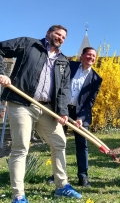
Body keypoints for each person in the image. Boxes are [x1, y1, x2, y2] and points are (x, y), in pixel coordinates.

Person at [0, 25, 82, 203]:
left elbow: (63, 90)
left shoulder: (63, 61)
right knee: (21, 148)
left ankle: (62, 186)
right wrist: (2, 73)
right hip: (22, 103)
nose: (60, 38)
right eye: (57, 34)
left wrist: (62, 112)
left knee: (59, 143)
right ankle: (18, 195)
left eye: (63, 37)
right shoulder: (29, 44)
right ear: (48, 33)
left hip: (46, 109)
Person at [47, 47, 102, 187]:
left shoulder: (96, 78)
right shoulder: (69, 66)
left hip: (80, 115)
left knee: (82, 145)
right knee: (58, 143)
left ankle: (83, 177)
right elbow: (57, 85)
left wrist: (81, 118)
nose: (91, 58)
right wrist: (60, 109)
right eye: (89, 54)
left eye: (94, 56)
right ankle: (57, 175)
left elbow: (90, 101)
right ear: (81, 55)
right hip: (62, 110)